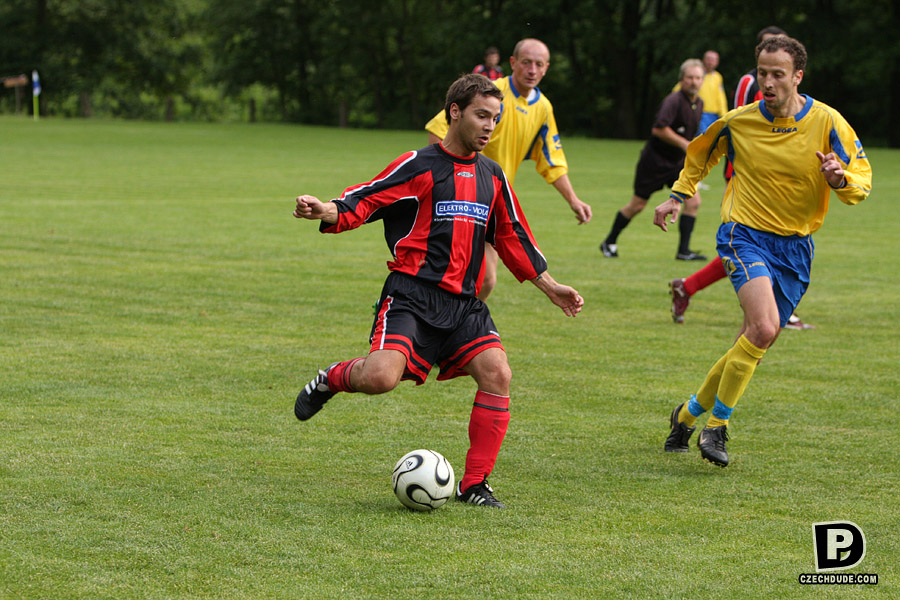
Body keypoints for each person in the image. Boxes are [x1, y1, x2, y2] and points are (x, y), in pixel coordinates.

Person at [293, 73, 584, 508]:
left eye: (495, 119)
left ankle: (476, 485)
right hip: (412, 295)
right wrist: (329, 209)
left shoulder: (492, 176)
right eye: (481, 116)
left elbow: (513, 236)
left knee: (497, 374)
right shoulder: (418, 164)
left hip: (464, 304)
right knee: (379, 378)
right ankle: (331, 378)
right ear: (455, 112)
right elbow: (367, 198)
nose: (489, 126)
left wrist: (549, 285)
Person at [656, 36, 871, 467]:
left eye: (777, 74)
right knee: (764, 328)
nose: (767, 82)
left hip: (796, 248)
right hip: (743, 234)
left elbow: (861, 181)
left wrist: (837, 177)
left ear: (797, 76)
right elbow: (698, 155)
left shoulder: (828, 121)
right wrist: (678, 196)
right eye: (762, 73)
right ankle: (717, 427)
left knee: (753, 339)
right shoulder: (738, 121)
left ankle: (685, 415)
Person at [668, 26, 813, 329]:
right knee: (750, 240)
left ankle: (689, 286)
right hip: (747, 175)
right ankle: (772, 310)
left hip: (780, 181)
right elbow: (738, 127)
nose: (770, 79)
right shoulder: (749, 82)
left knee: (753, 244)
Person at [426, 38, 591, 301]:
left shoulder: (543, 108)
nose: (532, 70)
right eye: (526, 63)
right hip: (458, 198)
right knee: (458, 274)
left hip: (492, 202)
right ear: (513, 63)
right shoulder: (492, 96)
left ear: (547, 68)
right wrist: (446, 181)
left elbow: (551, 160)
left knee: (485, 281)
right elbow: (438, 129)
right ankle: (412, 308)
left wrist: (573, 199)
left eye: (539, 64)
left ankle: (450, 329)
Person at [600, 59, 706, 261]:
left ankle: (683, 251)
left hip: (678, 163)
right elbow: (659, 128)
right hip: (655, 162)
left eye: (698, 78)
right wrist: (685, 144)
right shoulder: (673, 101)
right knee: (637, 205)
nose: (694, 82)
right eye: (690, 77)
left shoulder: (699, 103)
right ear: (682, 80)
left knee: (694, 202)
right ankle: (609, 241)